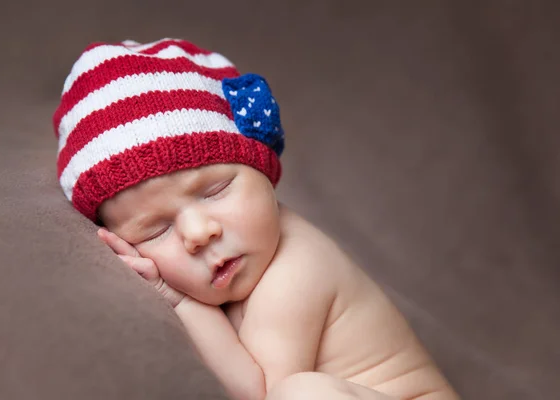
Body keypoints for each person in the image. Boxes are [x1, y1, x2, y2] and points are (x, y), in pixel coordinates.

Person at [53, 38, 458, 400]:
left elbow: (257, 393)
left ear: (263, 173)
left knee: (301, 394)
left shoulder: (296, 271)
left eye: (215, 191)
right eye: (156, 230)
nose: (198, 233)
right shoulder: (244, 262)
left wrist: (178, 300)